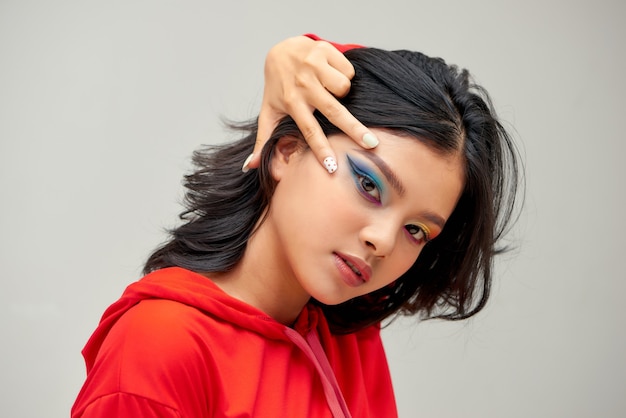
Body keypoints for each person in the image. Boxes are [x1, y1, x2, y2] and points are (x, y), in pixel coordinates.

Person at [72, 35, 521, 418]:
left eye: (417, 230)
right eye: (368, 184)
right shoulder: (159, 346)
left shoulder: (347, 334)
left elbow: (402, 82)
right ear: (287, 149)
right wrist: (295, 53)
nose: (382, 241)